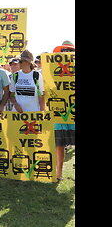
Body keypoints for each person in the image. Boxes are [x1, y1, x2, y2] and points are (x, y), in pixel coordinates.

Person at [52, 41, 75, 181]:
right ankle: (58, 173)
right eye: (64, 51)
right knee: (59, 144)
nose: (66, 53)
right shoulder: (52, 70)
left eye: (69, 51)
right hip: (59, 113)